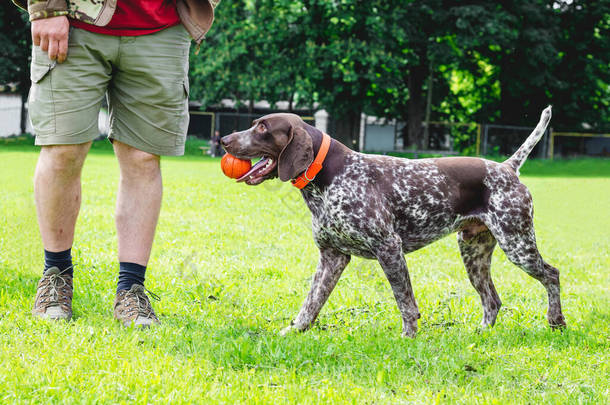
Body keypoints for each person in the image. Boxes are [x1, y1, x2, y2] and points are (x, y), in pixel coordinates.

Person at [12, 0, 219, 326]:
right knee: (63, 149)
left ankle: (132, 288)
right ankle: (56, 275)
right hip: (75, 20)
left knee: (143, 157)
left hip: (161, 29)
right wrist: (46, 8)